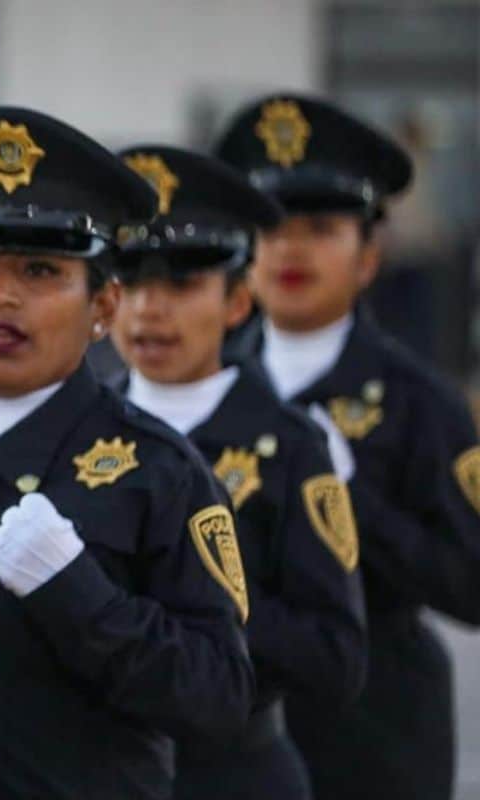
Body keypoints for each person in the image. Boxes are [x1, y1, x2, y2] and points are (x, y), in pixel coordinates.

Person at [0, 106, 255, 799]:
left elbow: (219, 698)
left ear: (104, 307)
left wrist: (81, 598)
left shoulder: (160, 473)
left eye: (40, 270)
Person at [217, 93, 480, 800]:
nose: (292, 248)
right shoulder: (203, 383)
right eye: (272, 228)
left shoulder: (419, 402)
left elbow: (471, 582)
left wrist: (349, 495)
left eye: (322, 227)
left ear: (368, 256)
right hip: (229, 737)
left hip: (377, 733)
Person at [107, 144, 367, 799]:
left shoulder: (291, 445)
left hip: (232, 774)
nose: (149, 310)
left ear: (237, 301)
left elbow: (336, 656)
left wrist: (197, 610)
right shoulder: (78, 430)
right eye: (131, 281)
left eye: (182, 284)